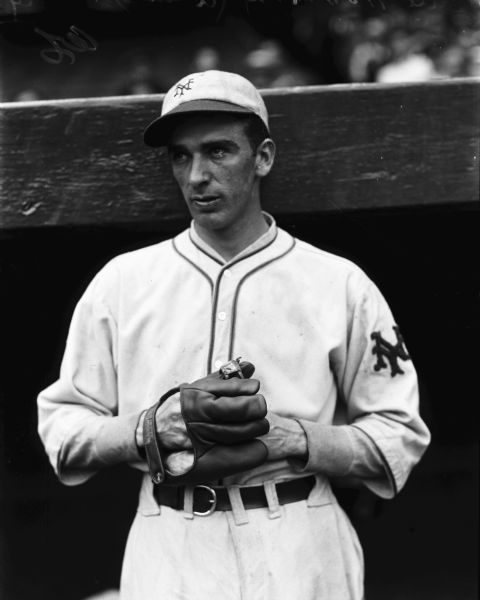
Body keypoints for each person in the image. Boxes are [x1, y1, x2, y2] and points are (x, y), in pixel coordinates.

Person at [37, 70, 431, 600]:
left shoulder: (338, 283)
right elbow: (62, 431)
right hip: (170, 537)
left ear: (262, 157)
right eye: (181, 155)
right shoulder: (122, 282)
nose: (197, 175)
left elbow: (399, 436)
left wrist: (296, 438)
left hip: (298, 533)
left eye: (218, 151)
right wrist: (151, 427)